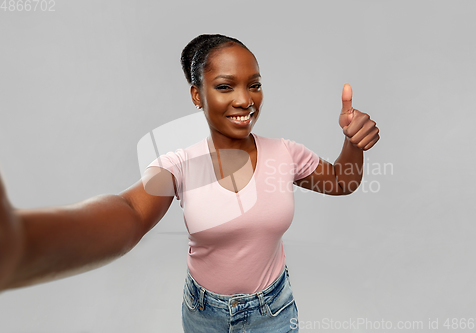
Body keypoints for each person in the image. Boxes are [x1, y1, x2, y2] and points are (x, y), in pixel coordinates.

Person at [0, 34, 379, 332]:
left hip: (274, 310)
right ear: (197, 95)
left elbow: (341, 183)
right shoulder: (179, 164)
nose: (246, 100)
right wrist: (25, 242)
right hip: (204, 313)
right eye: (226, 86)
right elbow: (131, 212)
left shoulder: (285, 153)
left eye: (255, 84)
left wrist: (352, 144)